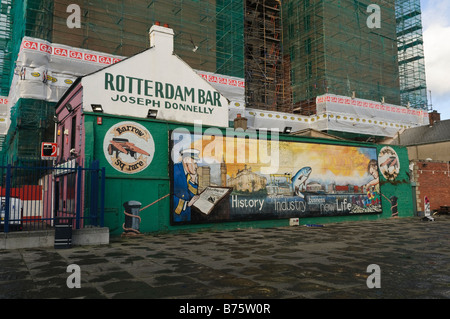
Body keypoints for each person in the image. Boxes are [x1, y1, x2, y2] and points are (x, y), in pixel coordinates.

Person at [172, 149, 200, 222]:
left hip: (186, 215)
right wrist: (186, 204)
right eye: (195, 163)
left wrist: (192, 181)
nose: (196, 167)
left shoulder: (187, 173)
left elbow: (189, 195)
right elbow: (166, 195)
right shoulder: (175, 171)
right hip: (176, 217)